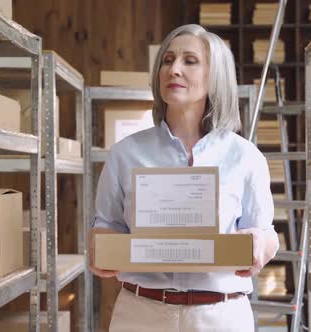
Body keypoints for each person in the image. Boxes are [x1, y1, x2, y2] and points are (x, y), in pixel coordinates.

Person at [89, 24, 279, 332]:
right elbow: (106, 225)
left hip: (221, 316)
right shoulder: (125, 154)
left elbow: (266, 233)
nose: (174, 69)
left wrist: (260, 244)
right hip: (141, 315)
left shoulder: (246, 157)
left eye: (189, 61)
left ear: (215, 76)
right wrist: (100, 245)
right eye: (167, 60)